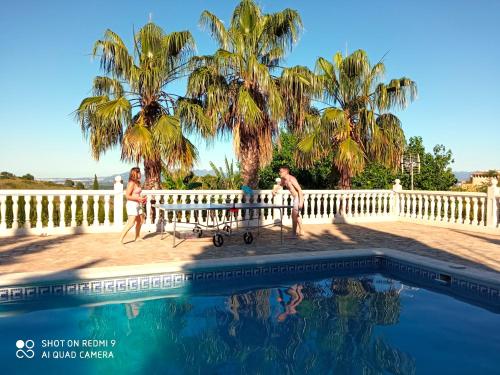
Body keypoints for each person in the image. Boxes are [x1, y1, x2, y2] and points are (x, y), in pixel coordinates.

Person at [273, 166, 304, 236]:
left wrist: (301, 202)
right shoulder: (284, 179)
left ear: (286, 172)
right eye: (279, 171)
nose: (279, 173)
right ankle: (301, 231)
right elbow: (280, 185)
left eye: (281, 172)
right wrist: (274, 190)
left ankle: (293, 234)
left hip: (298, 198)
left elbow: (299, 190)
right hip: (295, 198)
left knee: (294, 215)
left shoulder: (291, 179)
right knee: (297, 215)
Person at [119, 167, 147, 243]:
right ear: (134, 174)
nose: (140, 174)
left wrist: (142, 198)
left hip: (137, 204)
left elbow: (135, 194)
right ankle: (120, 240)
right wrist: (138, 199)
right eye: (138, 173)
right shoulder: (131, 183)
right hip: (132, 205)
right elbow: (127, 196)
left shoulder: (137, 182)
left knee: (140, 221)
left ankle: (137, 237)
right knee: (131, 223)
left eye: (139, 172)